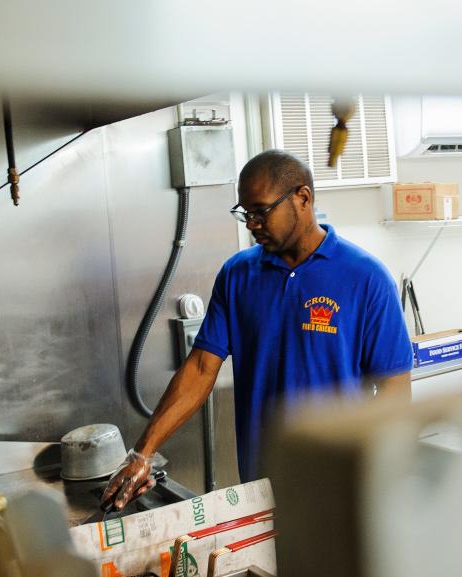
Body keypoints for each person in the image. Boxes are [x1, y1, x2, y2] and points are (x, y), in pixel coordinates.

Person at [103, 149, 413, 509]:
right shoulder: (238, 275)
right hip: (261, 486)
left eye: (261, 211)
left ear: (303, 198)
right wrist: (143, 453)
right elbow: (201, 369)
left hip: (339, 485)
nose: (251, 224)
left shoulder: (366, 279)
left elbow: (394, 393)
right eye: (245, 213)